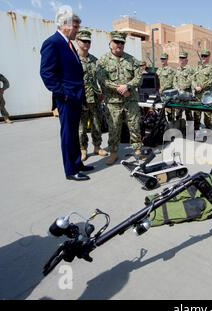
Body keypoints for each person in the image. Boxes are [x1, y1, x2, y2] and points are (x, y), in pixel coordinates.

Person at [40, 8, 93, 181]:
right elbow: (47, 73)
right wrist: (63, 94)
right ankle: (71, 170)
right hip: (67, 98)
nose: (77, 31)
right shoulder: (53, 43)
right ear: (65, 26)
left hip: (75, 97)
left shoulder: (68, 44)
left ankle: (78, 163)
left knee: (74, 133)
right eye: (76, 27)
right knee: (68, 134)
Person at [97, 31, 142, 165]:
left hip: (130, 100)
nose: (120, 44)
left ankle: (138, 150)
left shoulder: (132, 60)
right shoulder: (103, 61)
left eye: (122, 42)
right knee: (114, 128)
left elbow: (139, 78)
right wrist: (118, 88)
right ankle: (113, 153)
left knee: (135, 126)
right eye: (117, 42)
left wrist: (128, 86)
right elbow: (102, 79)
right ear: (110, 44)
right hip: (113, 102)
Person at [76, 30, 108, 161]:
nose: (86, 43)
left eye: (88, 41)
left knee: (96, 123)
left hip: (95, 97)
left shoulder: (94, 60)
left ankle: (97, 146)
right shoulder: (74, 59)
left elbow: (100, 78)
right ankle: (83, 149)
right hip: (81, 98)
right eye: (84, 41)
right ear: (77, 41)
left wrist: (102, 92)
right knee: (81, 127)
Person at [192, 49, 212, 130]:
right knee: (196, 113)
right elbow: (193, 78)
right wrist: (195, 86)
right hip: (197, 94)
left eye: (205, 56)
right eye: (202, 56)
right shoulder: (197, 68)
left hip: (207, 95)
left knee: (207, 114)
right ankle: (196, 129)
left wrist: (201, 87)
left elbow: (211, 80)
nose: (203, 57)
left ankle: (208, 129)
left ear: (209, 57)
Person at [173, 51, 195, 122]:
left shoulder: (190, 70)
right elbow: (174, 80)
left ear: (186, 60)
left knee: (188, 114)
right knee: (178, 114)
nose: (181, 60)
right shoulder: (177, 69)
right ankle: (179, 129)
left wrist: (183, 87)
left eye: (183, 58)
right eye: (180, 58)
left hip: (186, 95)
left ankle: (190, 131)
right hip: (178, 95)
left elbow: (191, 80)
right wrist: (177, 88)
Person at [156, 53, 175, 121]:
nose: (162, 60)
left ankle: (171, 126)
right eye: (161, 59)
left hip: (167, 95)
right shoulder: (158, 70)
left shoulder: (170, 70)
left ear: (167, 59)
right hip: (159, 94)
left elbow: (170, 81)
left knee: (169, 112)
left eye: (164, 59)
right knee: (160, 112)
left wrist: (162, 88)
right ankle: (163, 126)